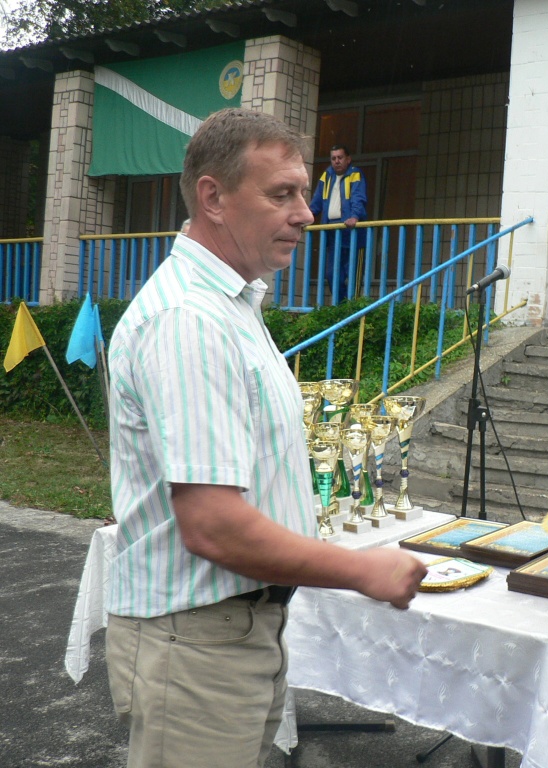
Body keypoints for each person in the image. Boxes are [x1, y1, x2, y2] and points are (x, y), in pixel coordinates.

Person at [105, 108, 426, 767]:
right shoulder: (190, 319)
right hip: (198, 645)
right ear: (213, 198)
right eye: (282, 194)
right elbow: (214, 526)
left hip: (234, 632)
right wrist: (363, 571)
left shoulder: (230, 306)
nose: (306, 213)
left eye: (304, 192)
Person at [308, 144, 368, 296]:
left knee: (353, 275)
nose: (336, 161)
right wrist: (306, 217)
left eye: (340, 158)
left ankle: (352, 307)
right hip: (333, 232)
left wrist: (354, 216)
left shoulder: (355, 174)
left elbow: (358, 198)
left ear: (348, 159)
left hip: (352, 232)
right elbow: (316, 201)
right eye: (333, 158)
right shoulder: (327, 176)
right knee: (332, 275)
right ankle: (341, 306)